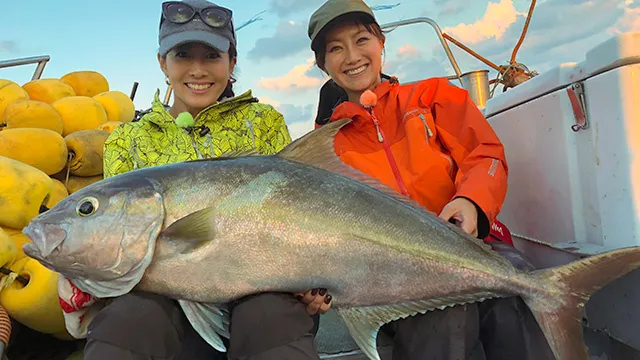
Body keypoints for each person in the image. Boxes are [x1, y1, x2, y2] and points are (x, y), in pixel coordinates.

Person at [79, 1, 331, 359]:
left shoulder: (262, 122)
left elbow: (295, 209)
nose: (198, 70)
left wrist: (314, 275)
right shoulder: (128, 140)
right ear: (162, 63)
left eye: (212, 56)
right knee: (125, 322)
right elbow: (116, 237)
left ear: (231, 64)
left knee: (272, 320)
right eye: (183, 55)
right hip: (161, 297)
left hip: (260, 288)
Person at [306, 1, 555, 359]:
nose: (351, 56)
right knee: (444, 314)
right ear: (323, 65)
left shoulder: (432, 96)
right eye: (335, 48)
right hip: (390, 275)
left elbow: (484, 155)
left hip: (471, 244)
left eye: (362, 40)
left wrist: (470, 201)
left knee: (516, 294)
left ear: (381, 43)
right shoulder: (324, 145)